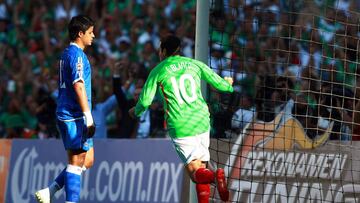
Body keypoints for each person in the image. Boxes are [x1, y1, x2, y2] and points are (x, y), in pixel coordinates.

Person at [129, 34, 233, 202]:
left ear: (163, 51)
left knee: (194, 173)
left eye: (159, 49)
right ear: (178, 49)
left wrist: (135, 112)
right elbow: (219, 83)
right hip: (202, 120)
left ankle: (216, 176)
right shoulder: (195, 64)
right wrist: (229, 84)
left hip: (181, 124)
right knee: (201, 168)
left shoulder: (159, 70)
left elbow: (145, 100)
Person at [35, 15, 95, 203]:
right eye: (91, 32)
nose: (93, 36)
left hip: (71, 113)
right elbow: (78, 85)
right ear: (80, 34)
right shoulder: (76, 55)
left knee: (88, 159)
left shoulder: (66, 53)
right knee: (76, 163)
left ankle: (50, 191)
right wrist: (88, 116)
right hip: (74, 115)